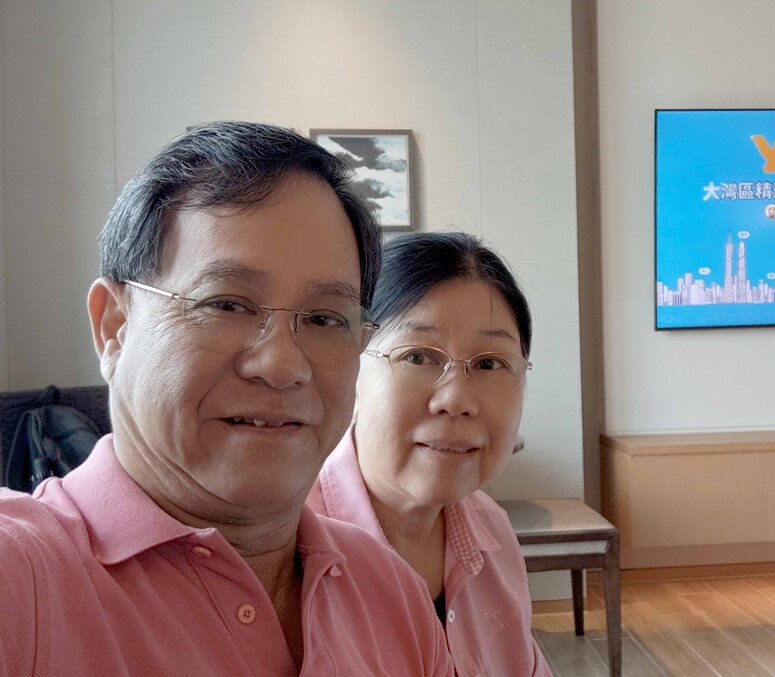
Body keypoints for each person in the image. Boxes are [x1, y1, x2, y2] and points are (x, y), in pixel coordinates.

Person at [0, 122, 454, 676]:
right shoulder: (23, 581)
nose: (283, 366)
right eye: (227, 305)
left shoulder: (392, 594)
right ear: (114, 326)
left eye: (323, 318)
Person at [307, 232, 553, 676]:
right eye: (418, 357)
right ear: (349, 368)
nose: (456, 399)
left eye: (490, 364)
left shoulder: (492, 531)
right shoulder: (282, 547)